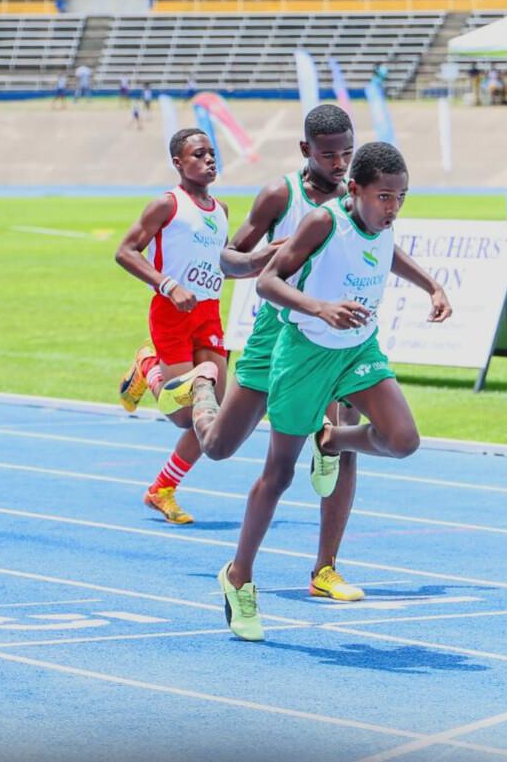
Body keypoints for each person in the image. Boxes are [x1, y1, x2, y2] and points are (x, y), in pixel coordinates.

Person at [171, 141, 452, 641]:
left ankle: (333, 442)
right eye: (385, 197)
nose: (393, 208)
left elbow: (388, 253)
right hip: (303, 351)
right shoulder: (322, 220)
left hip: (357, 351)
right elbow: (266, 281)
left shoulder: (380, 220)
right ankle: (238, 577)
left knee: (403, 439)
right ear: (358, 190)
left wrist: (431, 285)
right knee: (274, 473)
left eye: (401, 198)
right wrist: (319, 307)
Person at [130, 104, 377, 603]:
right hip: (279, 333)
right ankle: (193, 389)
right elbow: (227, 259)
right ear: (307, 151)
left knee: (340, 445)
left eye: (347, 154)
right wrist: (263, 257)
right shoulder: (278, 195)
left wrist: (430, 285)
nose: (341, 164)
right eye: (330, 155)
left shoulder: (362, 196)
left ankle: (325, 569)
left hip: (340, 334)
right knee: (219, 446)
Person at [114, 128, 277, 527]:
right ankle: (147, 366)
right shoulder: (166, 205)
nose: (209, 160)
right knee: (182, 416)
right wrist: (167, 285)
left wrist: (264, 259)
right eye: (198, 154)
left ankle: (162, 489)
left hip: (208, 314)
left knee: (213, 420)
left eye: (211, 154)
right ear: (178, 163)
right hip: (170, 311)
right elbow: (124, 251)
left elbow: (217, 265)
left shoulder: (220, 210)